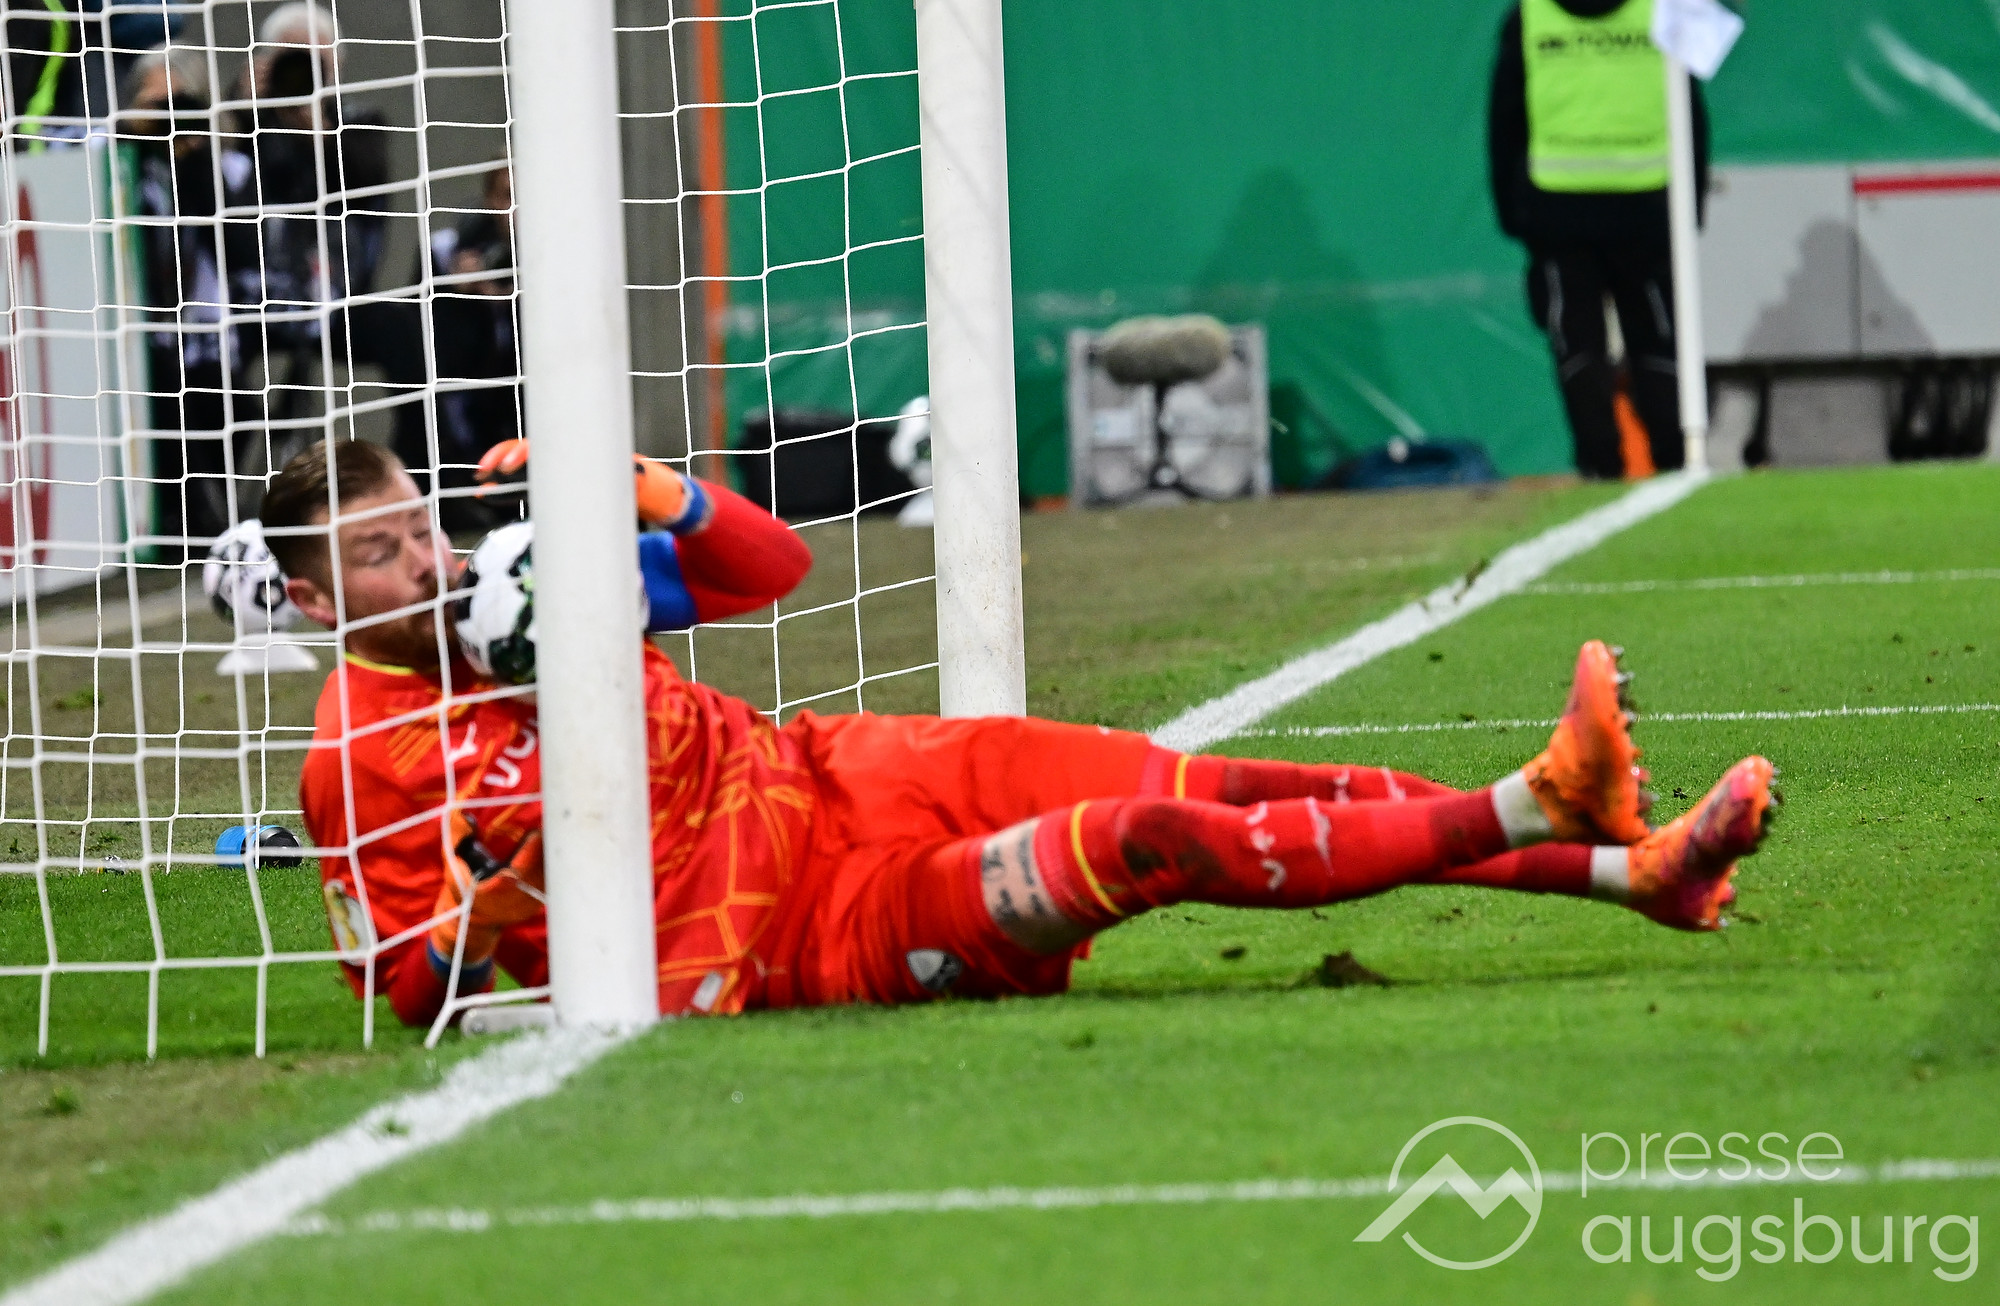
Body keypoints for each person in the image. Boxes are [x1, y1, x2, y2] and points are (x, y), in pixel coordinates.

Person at [261, 438, 1774, 1027]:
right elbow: (415, 988)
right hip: (805, 928)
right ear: (319, 598)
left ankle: (1629, 867)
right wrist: (502, 891)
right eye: (384, 552)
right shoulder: (357, 758)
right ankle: (1541, 801)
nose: (431, 560)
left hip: (840, 771)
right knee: (1152, 840)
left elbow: (773, 572)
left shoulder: (526, 593)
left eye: (421, 524)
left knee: (1221, 779)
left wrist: (650, 490)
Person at [1488, 0, 1709, 480]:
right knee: (1657, 340)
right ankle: (1675, 462)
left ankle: (1601, 465)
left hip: (1558, 210)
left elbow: (1504, 119)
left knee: (1576, 343)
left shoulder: (1529, 17)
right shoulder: (1665, 11)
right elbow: (1691, 109)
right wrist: (1690, 208)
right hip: (1648, 207)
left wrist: (1514, 211)